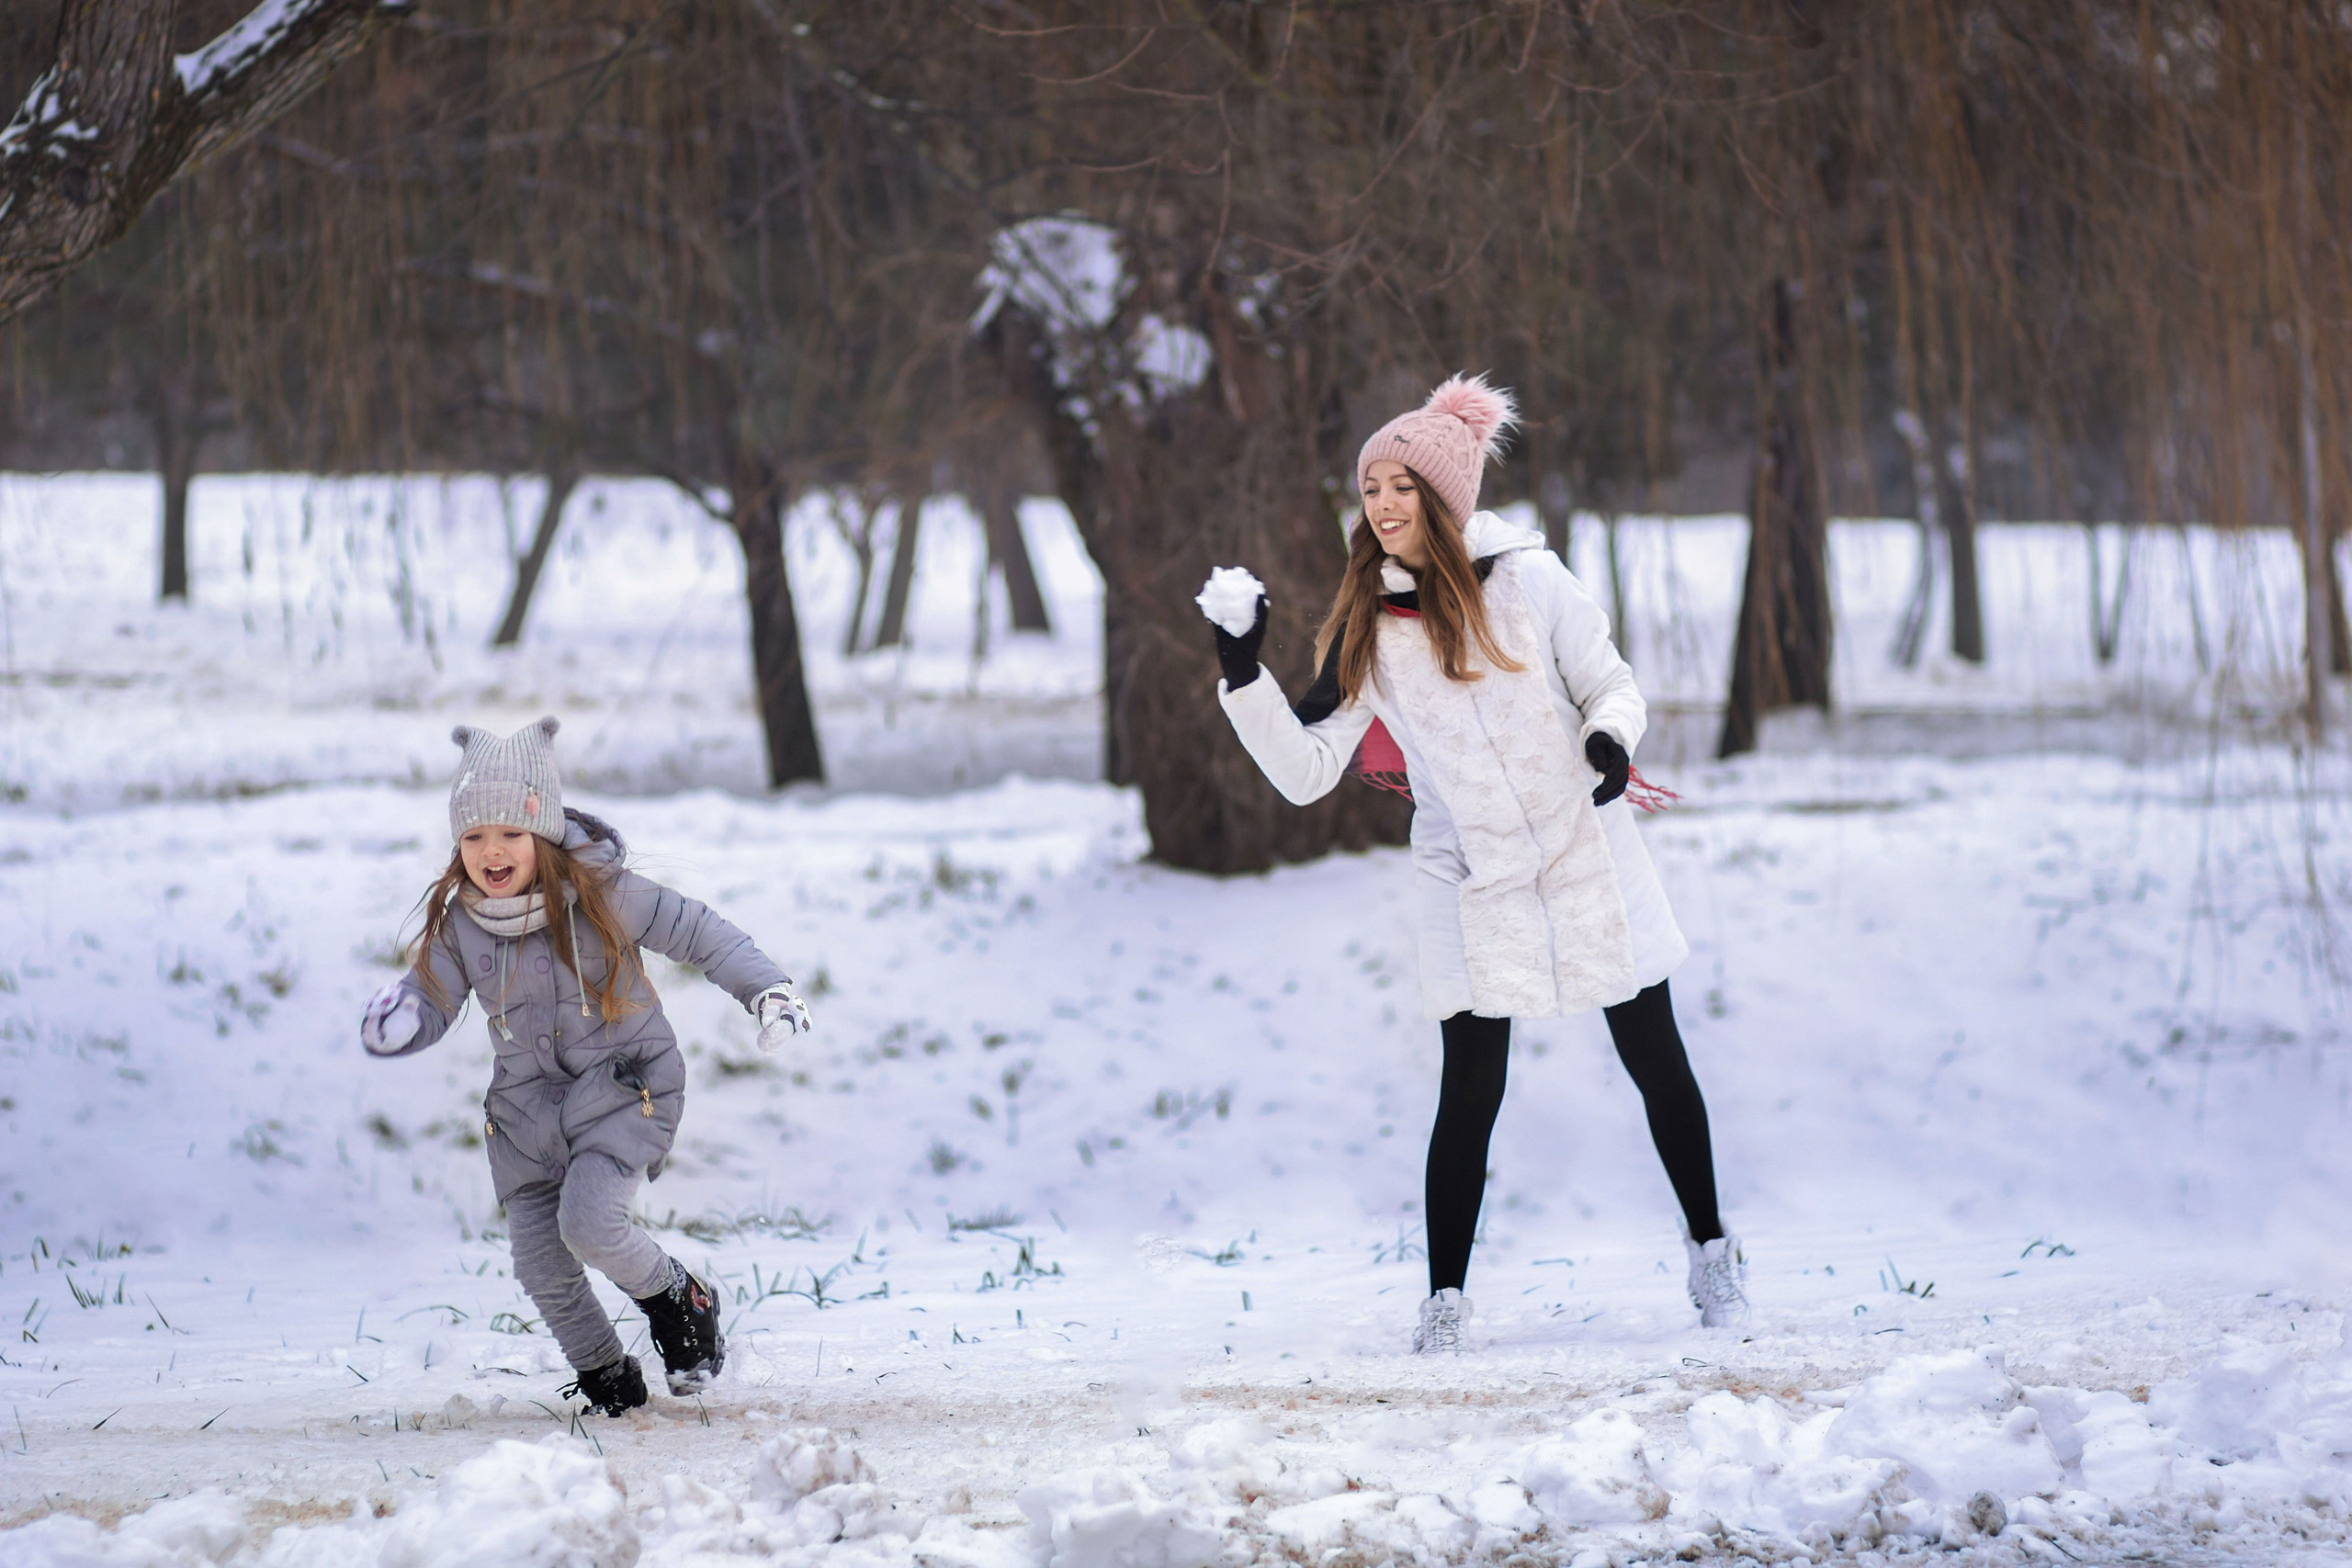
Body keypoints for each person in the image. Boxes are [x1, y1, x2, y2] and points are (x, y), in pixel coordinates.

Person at [1200, 376, 1746, 1352]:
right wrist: (1242, 673)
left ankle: (1713, 1256)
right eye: (1370, 487)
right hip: (1465, 869)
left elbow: (1608, 683)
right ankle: (1443, 1304)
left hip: (1587, 844)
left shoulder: (1531, 581)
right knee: (1470, 1086)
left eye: (1403, 485)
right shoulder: (1366, 625)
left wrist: (1609, 744)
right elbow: (1307, 772)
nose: (1383, 504)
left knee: (1654, 1055)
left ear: (1444, 498)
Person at [359, 716, 812, 1414]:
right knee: (540, 1260)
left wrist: (766, 988)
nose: (492, 850)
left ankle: (680, 1301)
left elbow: (698, 931)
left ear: (542, 831)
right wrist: (404, 1018)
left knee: (591, 1222)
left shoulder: (605, 892)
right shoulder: (463, 923)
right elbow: (434, 994)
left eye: (510, 832)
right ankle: (610, 1381)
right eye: (474, 836)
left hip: (624, 1089)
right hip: (527, 1117)